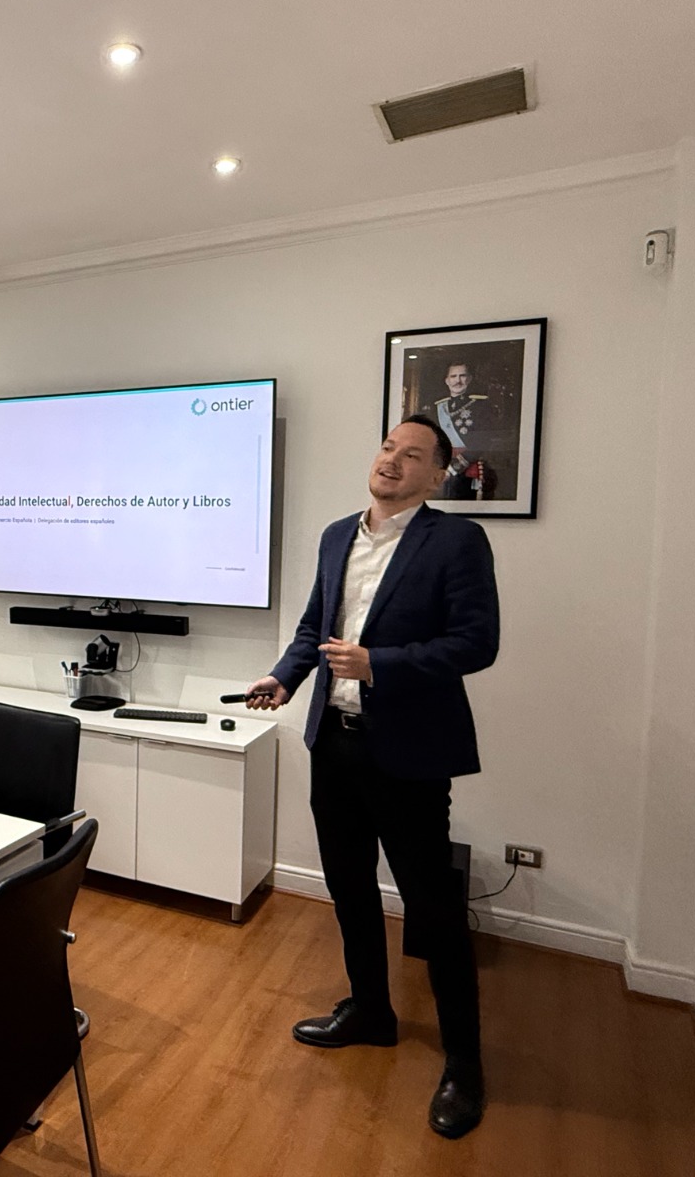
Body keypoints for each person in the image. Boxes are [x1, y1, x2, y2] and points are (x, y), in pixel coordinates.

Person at [246, 416, 499, 1139]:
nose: (392, 460)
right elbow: (313, 628)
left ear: (437, 476)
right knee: (349, 889)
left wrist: (378, 664)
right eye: (389, 447)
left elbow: (476, 643)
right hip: (334, 744)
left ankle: (465, 1064)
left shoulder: (457, 541)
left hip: (411, 754)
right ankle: (370, 1011)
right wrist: (285, 677)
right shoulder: (337, 536)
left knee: (433, 911)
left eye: (412, 455)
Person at [423, 361, 502, 500]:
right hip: (442, 468)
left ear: (469, 379)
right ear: (447, 381)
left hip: (468, 468)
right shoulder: (437, 408)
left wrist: (455, 467)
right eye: (453, 376)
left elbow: (482, 441)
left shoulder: (480, 406)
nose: (458, 381)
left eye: (462, 376)